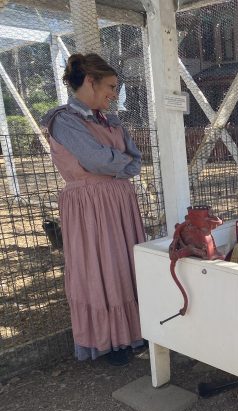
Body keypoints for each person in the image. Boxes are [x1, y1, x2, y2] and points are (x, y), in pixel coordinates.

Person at [42, 53, 145, 366]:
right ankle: (108, 341)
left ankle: (132, 332)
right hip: (89, 204)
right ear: (90, 81)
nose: (114, 94)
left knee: (125, 263)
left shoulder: (109, 120)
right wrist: (119, 163)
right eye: (111, 86)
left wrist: (116, 164)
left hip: (119, 200)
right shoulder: (64, 119)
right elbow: (94, 159)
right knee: (99, 266)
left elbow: (135, 158)